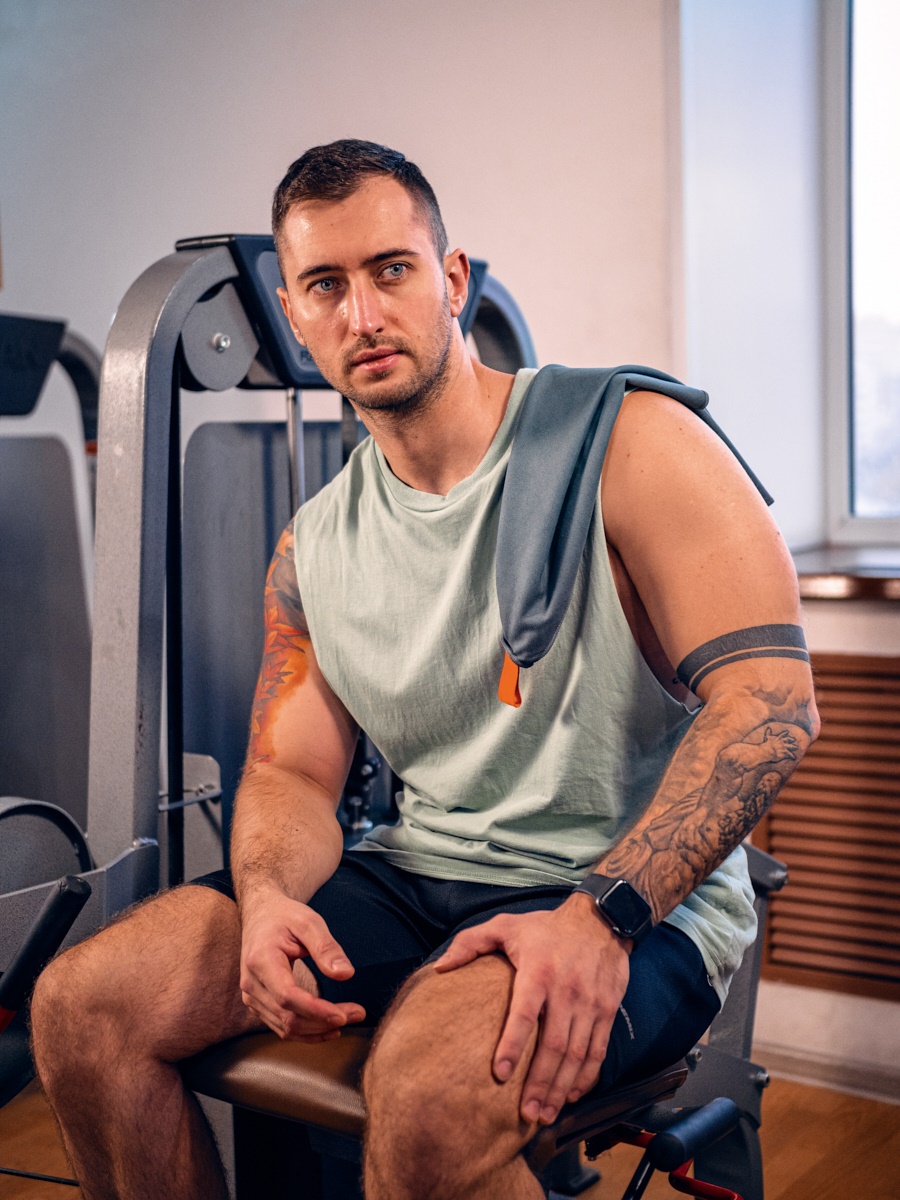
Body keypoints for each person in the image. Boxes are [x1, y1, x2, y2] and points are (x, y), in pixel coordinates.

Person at [30, 140, 818, 1200]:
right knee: (82, 1008)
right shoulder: (316, 546)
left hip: (626, 896)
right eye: (326, 285)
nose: (362, 314)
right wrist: (267, 900)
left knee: (431, 1100)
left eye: (391, 270)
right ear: (294, 313)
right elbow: (293, 774)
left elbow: (771, 706)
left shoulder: (636, 443)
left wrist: (604, 918)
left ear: (451, 281)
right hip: (417, 872)